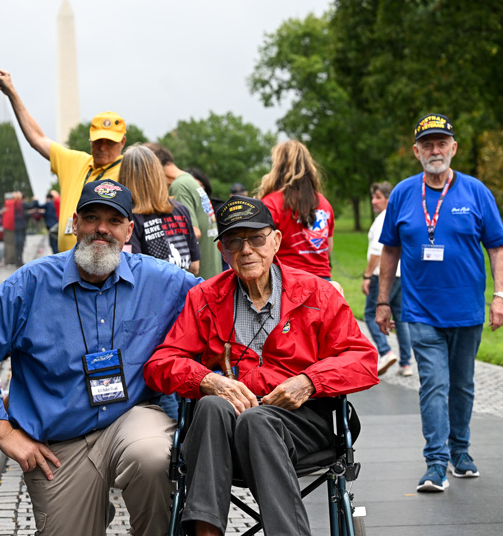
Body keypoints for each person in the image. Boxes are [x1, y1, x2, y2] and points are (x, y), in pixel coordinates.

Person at [0, 179, 200, 536]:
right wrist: (4, 434)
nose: (102, 228)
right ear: (74, 223)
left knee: (152, 456)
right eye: (92, 217)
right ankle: (90, 504)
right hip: (57, 447)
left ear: (129, 230)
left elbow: (217, 300)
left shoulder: (162, 281)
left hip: (131, 419)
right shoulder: (30, 284)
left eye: (114, 221)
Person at [144, 195, 379, 536]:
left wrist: (309, 381)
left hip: (300, 424)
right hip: (221, 436)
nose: (246, 250)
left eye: (256, 238)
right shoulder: (205, 297)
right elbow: (160, 363)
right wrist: (208, 380)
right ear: (222, 251)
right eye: (233, 241)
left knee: (255, 420)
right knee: (210, 405)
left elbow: (364, 360)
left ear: (276, 241)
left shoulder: (317, 294)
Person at [376, 113, 503, 493]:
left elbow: (498, 247)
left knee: (462, 385)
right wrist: (383, 301)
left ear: (453, 148)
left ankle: (460, 451)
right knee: (434, 383)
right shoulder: (402, 193)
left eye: (441, 143)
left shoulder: (476, 192)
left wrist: (500, 297)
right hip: (421, 312)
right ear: (416, 151)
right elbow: (390, 250)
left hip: (466, 311)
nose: (435, 150)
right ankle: (435, 463)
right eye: (427, 145)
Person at [0, 66, 126, 253]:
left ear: (122, 142)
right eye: (97, 141)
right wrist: (11, 92)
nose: (102, 147)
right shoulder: (75, 161)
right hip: (66, 265)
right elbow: (37, 139)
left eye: (109, 142)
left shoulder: (131, 170)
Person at [257, 140, 335, 280]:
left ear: (278, 166)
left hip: (288, 281)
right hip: (323, 283)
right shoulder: (324, 203)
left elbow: (260, 248)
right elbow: (328, 249)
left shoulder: (271, 203)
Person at [118, 144, 200, 276]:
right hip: (184, 291)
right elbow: (195, 266)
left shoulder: (129, 217)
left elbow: (132, 269)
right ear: (157, 173)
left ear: (125, 175)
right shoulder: (181, 210)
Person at [149, 142, 221, 279]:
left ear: (155, 166)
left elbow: (193, 232)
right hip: (212, 275)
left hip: (200, 279)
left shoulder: (179, 187)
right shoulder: (189, 181)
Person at [362, 181, 412, 376]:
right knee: (400, 318)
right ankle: (406, 363)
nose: (374, 201)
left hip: (383, 275)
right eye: (373, 197)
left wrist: (367, 275)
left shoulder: (384, 218)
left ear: (389, 199)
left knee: (370, 314)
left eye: (378, 197)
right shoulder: (398, 215)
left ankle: (385, 352)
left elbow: (376, 253)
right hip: (401, 275)